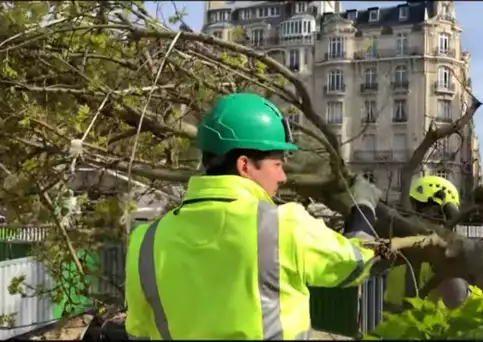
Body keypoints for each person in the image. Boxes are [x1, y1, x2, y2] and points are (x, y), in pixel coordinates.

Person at [124, 93, 390, 340]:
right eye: (277, 164)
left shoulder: (145, 242)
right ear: (244, 165)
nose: (283, 176)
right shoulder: (282, 225)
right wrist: (364, 205)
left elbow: (139, 329)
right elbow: (355, 263)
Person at [383, 175, 482, 312]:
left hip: (434, 330)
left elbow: (457, 299)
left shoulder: (455, 256)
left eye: (417, 210)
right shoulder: (398, 250)